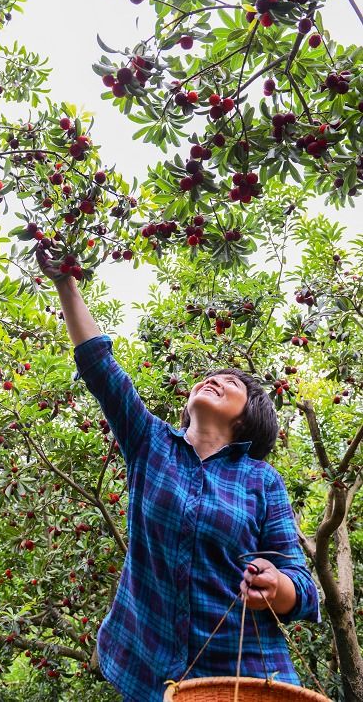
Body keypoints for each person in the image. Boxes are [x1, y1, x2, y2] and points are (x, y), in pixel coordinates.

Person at [36, 247, 321, 702]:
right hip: (149, 666)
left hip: (242, 674)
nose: (217, 380)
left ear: (248, 419)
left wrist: (279, 586)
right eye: (211, 376)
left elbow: (303, 588)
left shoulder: (260, 480)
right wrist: (66, 283)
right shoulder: (150, 444)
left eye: (234, 384)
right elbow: (99, 367)